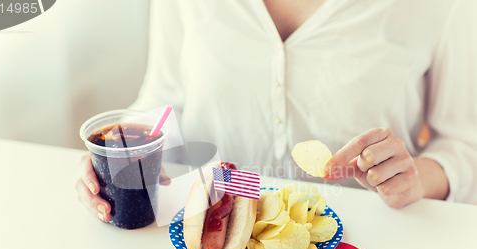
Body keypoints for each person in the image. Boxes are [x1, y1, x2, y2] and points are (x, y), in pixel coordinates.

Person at [76, 0, 477, 222]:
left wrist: (416, 182)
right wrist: (118, 152)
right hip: (208, 236)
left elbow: (463, 145)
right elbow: (164, 98)